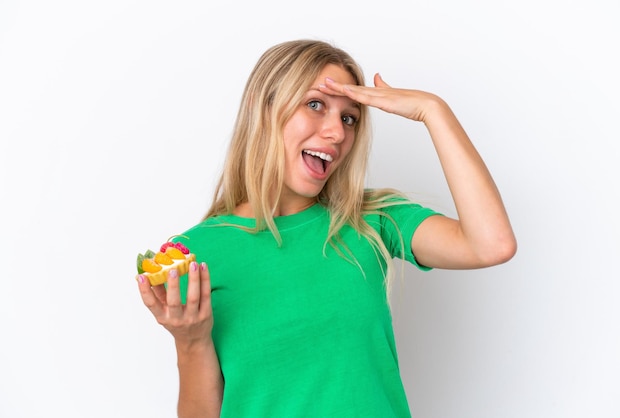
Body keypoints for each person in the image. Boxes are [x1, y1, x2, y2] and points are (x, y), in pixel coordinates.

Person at [136, 39, 516, 418]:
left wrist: (433, 111)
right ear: (262, 107)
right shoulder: (192, 255)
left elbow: (492, 244)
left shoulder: (370, 220)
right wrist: (191, 342)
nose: (337, 133)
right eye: (315, 105)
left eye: (349, 117)